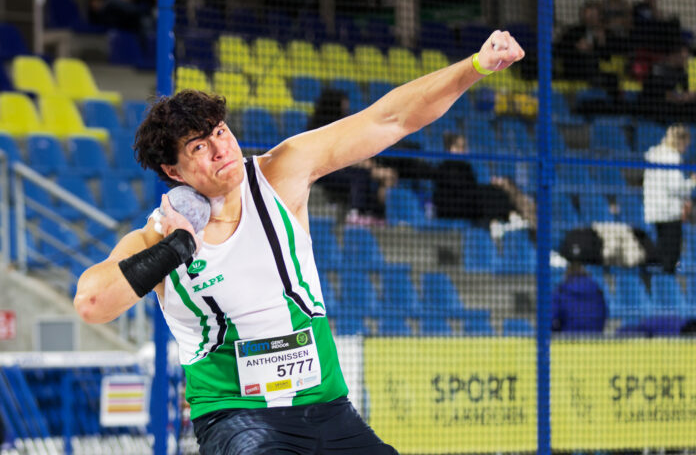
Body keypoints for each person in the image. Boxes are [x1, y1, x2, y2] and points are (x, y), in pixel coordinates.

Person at [73, 31, 524, 454]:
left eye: (220, 131)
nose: (220, 148)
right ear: (173, 172)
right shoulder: (156, 236)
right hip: (236, 418)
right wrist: (174, 250)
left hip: (327, 408)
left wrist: (476, 66)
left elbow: (389, 119)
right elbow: (92, 303)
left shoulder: (280, 174)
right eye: (198, 147)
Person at [309, 89, 398, 224]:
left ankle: (375, 215)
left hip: (343, 169)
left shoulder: (343, 126)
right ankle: (356, 212)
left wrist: (373, 168)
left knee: (371, 176)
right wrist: (372, 170)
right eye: (343, 104)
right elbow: (337, 156)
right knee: (360, 175)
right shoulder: (322, 128)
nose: (346, 108)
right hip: (324, 173)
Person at [643, 124, 696, 273]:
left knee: (662, 252)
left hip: (655, 211)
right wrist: (692, 182)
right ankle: (666, 278)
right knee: (671, 255)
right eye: (686, 143)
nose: (687, 147)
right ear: (680, 140)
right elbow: (676, 187)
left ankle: (663, 277)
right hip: (669, 213)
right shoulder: (672, 157)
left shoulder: (655, 154)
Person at [637, 45, 696, 123]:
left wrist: (686, 96)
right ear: (674, 55)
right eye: (683, 57)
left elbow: (688, 93)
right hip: (655, 111)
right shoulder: (658, 69)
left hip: (676, 111)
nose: (686, 59)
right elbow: (662, 94)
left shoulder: (682, 72)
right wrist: (681, 97)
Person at [552, 262, 608, 334]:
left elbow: (552, 319)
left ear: (567, 274)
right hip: (594, 337)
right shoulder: (598, 291)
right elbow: (604, 315)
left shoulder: (560, 292)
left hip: (567, 338)